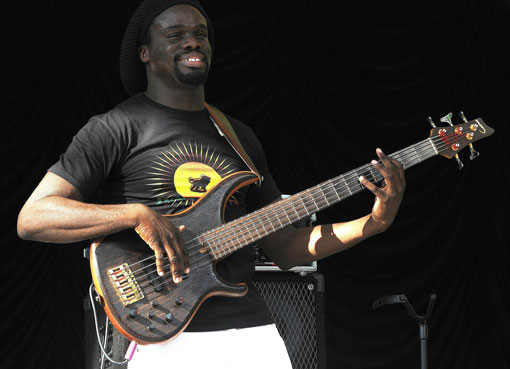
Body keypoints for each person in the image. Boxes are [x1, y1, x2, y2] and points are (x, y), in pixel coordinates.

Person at [17, 0, 405, 368]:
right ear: (145, 53)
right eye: (175, 34)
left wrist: (375, 222)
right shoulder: (115, 128)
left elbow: (285, 248)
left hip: (252, 330)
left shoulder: (238, 136)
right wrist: (136, 215)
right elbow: (33, 218)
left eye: (201, 33)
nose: (192, 41)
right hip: (164, 331)